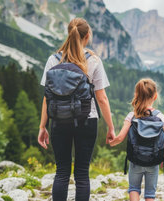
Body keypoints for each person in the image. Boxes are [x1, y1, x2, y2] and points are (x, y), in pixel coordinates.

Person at [37, 18, 115, 201]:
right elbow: (102, 98)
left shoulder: (53, 59)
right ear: (87, 37)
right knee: (81, 173)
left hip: (58, 119)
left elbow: (47, 97)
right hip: (87, 120)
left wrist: (42, 127)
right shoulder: (94, 60)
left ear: (68, 33)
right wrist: (111, 127)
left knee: (62, 172)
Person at [109, 78, 164, 201]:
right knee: (150, 194)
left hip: (136, 160)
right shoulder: (160, 116)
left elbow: (120, 137)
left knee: (134, 189)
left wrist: (112, 142)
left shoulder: (132, 115)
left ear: (136, 95)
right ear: (155, 96)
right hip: (153, 161)